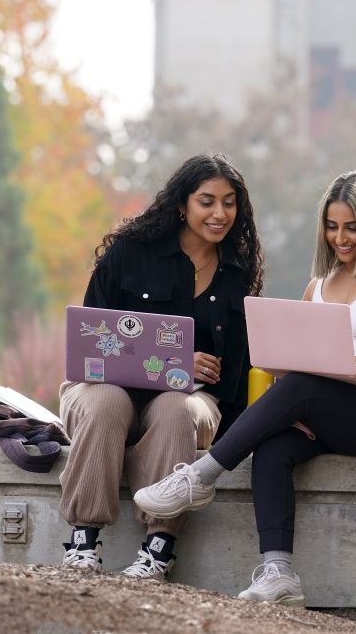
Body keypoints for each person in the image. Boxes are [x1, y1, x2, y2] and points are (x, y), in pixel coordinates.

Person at [131, 171, 356, 607]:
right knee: (275, 446)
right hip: (323, 403)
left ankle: (200, 477)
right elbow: (305, 352)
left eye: (351, 227)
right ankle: (279, 573)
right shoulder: (317, 286)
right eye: (332, 227)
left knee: (304, 384)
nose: (341, 238)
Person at [57, 154, 263, 580]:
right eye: (207, 201)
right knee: (107, 403)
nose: (219, 213)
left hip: (191, 402)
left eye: (229, 202)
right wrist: (173, 363)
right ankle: (83, 541)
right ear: (182, 204)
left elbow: (238, 372)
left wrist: (241, 441)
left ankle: (159, 547)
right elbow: (93, 341)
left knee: (175, 407)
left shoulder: (237, 275)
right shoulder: (130, 253)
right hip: (104, 388)